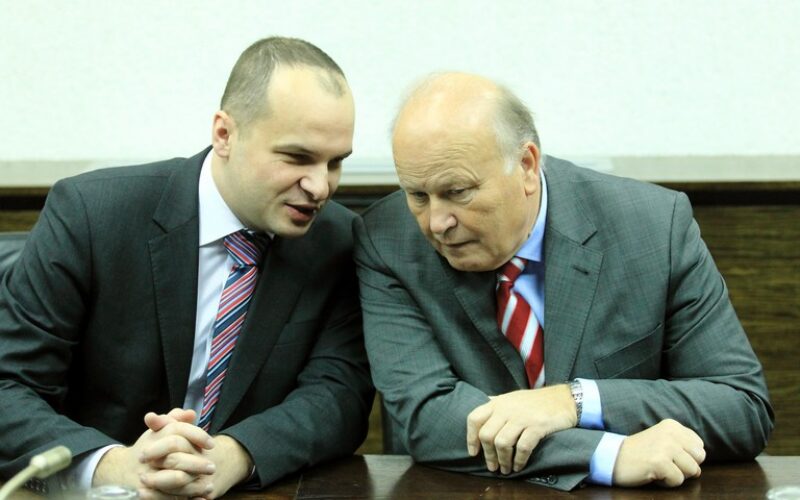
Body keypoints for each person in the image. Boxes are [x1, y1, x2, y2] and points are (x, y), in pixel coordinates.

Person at [354, 72, 773, 491]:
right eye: (418, 195)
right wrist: (606, 454)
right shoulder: (387, 240)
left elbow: (741, 407)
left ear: (526, 166)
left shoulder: (652, 227)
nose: (436, 222)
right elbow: (427, 418)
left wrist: (574, 401)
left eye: (458, 191)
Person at [0, 36, 373, 499]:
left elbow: (339, 396)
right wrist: (115, 466)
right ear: (225, 134)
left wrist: (234, 455)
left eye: (335, 163)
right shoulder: (92, 215)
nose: (320, 187)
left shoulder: (337, 240)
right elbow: (8, 385)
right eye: (297, 157)